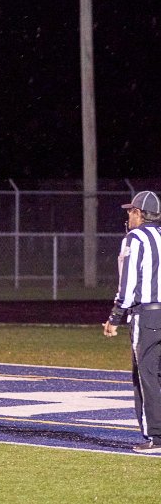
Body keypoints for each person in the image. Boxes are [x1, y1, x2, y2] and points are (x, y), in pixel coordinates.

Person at [103, 190, 161, 454]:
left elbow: (127, 283)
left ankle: (155, 437)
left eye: (131, 211)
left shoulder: (135, 238)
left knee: (145, 376)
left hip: (147, 315)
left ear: (139, 213)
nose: (128, 217)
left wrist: (115, 316)